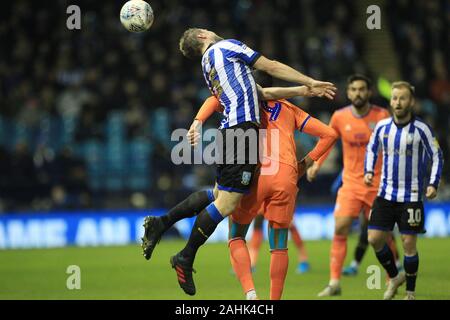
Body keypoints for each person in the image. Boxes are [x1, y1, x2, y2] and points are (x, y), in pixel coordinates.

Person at [143, 28, 335, 296]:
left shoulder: (210, 67)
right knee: (228, 203)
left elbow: (263, 94)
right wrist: (310, 80)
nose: (214, 32)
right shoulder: (227, 47)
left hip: (229, 132)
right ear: (201, 36)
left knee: (219, 193)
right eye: (209, 30)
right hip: (242, 131)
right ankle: (185, 257)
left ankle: (162, 222)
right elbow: (270, 65)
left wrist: (304, 90)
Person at [193, 72, 337, 299]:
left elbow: (214, 99)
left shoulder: (241, 103)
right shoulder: (289, 108)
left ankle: (251, 294)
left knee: (236, 236)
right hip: (285, 176)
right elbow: (329, 134)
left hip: (253, 176)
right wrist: (303, 165)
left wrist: (197, 121)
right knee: (279, 245)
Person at [306, 74, 390, 297]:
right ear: (349, 92)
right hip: (351, 184)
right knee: (340, 228)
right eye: (354, 89)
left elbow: (394, 147)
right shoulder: (340, 117)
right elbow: (327, 140)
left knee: (382, 236)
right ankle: (334, 283)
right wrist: (315, 165)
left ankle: (392, 278)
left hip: (378, 185)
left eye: (362, 89)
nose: (358, 93)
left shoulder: (382, 116)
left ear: (369, 92)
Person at [365, 81, 443, 300]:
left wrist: (433, 183)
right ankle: (394, 277)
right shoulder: (382, 127)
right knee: (374, 239)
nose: (397, 102)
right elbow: (371, 148)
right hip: (385, 194)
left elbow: (437, 155)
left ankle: (410, 292)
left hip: (411, 196)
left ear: (411, 102)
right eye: (394, 98)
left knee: (408, 244)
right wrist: (369, 171)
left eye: (402, 98)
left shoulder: (422, 129)